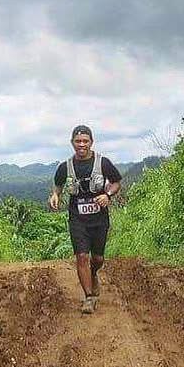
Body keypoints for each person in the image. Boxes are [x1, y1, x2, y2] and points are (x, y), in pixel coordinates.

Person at [49, 125, 122, 314]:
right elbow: (58, 185)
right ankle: (89, 297)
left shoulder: (103, 163)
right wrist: (55, 195)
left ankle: (94, 272)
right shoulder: (65, 167)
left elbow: (116, 183)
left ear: (91, 142)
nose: (81, 145)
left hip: (99, 219)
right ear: (72, 143)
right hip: (77, 219)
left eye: (85, 141)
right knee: (82, 256)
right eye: (78, 141)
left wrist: (107, 195)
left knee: (97, 258)